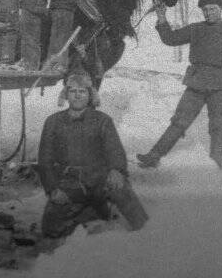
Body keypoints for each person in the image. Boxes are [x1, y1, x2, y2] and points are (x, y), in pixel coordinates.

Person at [137, 0, 222, 169]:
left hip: (219, 88)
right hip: (196, 85)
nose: (208, 13)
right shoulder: (196, 29)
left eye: (212, 9)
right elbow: (171, 39)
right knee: (178, 122)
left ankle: (216, 166)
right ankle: (154, 157)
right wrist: (162, 18)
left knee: (218, 128)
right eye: (205, 10)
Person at [38, 72, 148, 238]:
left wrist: (116, 170)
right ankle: (91, 211)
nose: (77, 95)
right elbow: (44, 160)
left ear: (90, 95)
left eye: (82, 91)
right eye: (72, 91)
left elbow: (115, 151)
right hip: (70, 183)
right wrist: (53, 189)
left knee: (120, 188)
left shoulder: (102, 120)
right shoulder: (53, 122)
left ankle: (147, 231)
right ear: (66, 94)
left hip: (99, 180)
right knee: (50, 229)